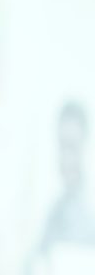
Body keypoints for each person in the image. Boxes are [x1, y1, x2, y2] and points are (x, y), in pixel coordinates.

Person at [44, 100, 94, 254]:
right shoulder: (56, 208)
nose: (66, 158)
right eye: (61, 146)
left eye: (72, 147)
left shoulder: (90, 211)